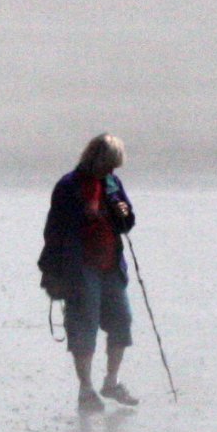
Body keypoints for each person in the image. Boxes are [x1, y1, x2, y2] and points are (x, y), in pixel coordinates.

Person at [38, 133, 139, 413]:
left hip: (110, 265)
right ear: (98, 159)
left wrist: (124, 212)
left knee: (122, 321)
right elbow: (54, 230)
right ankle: (86, 389)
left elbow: (126, 223)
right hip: (79, 267)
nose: (113, 171)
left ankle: (111, 382)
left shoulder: (112, 183)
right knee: (84, 326)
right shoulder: (69, 186)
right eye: (110, 165)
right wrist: (53, 271)